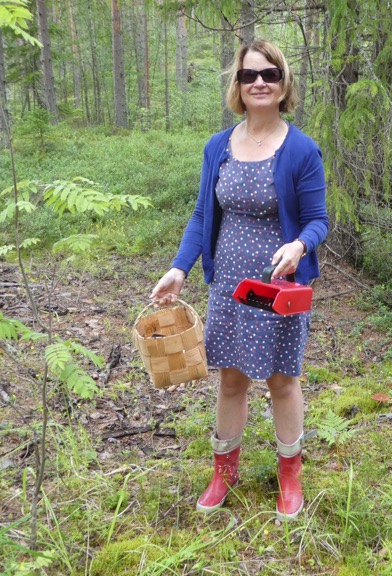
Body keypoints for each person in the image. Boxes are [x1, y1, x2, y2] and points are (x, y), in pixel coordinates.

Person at [149, 40, 328, 521]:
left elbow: (318, 220)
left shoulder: (301, 150)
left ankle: (290, 474)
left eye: (269, 74)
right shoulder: (218, 147)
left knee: (282, 380)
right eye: (250, 76)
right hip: (229, 283)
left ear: (283, 82)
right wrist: (179, 267)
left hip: (277, 287)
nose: (260, 83)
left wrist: (300, 246)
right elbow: (203, 213)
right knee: (231, 381)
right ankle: (223, 471)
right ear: (238, 86)